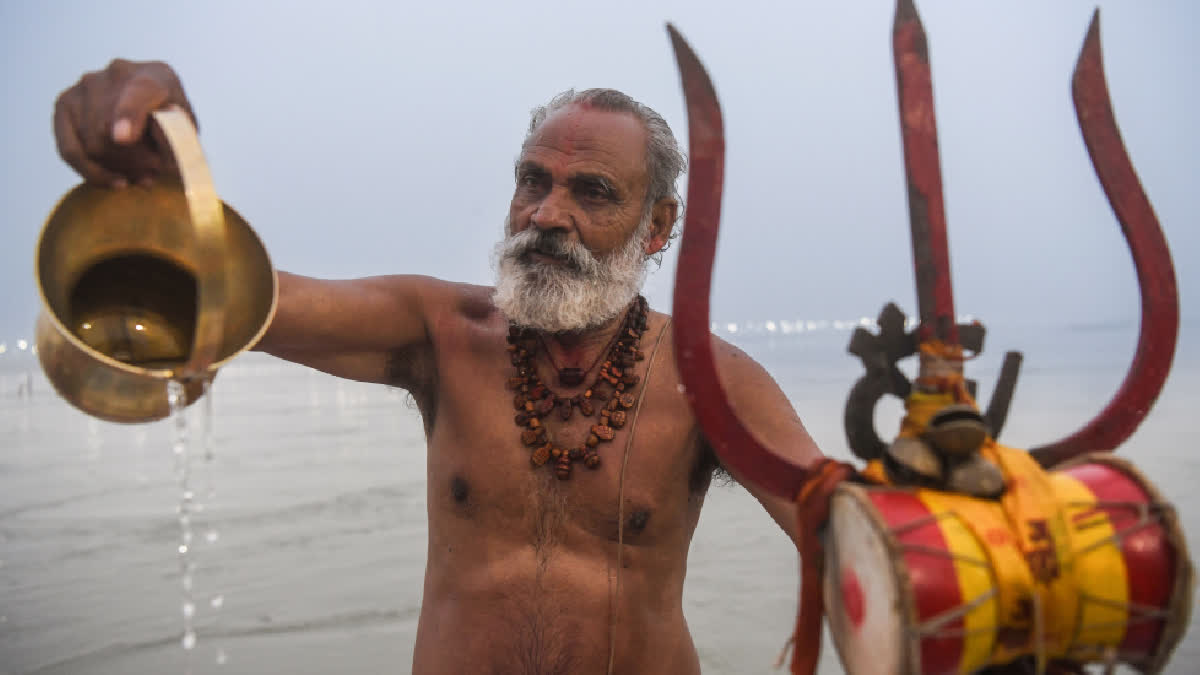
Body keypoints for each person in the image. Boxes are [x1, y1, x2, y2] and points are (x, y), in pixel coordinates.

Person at [53, 58, 823, 674]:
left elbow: (848, 538)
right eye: (533, 181)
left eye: (591, 192)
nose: (548, 215)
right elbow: (240, 300)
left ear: (657, 226)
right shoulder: (443, 333)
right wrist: (163, 174)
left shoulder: (708, 379)